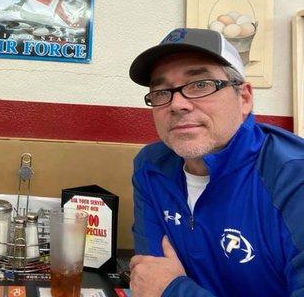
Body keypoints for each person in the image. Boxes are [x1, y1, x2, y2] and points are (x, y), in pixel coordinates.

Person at [127, 28, 304, 296]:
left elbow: (160, 287)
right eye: (161, 91)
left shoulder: (293, 178)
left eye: (200, 84)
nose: (177, 104)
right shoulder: (150, 167)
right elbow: (150, 277)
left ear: (244, 98)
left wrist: (174, 291)